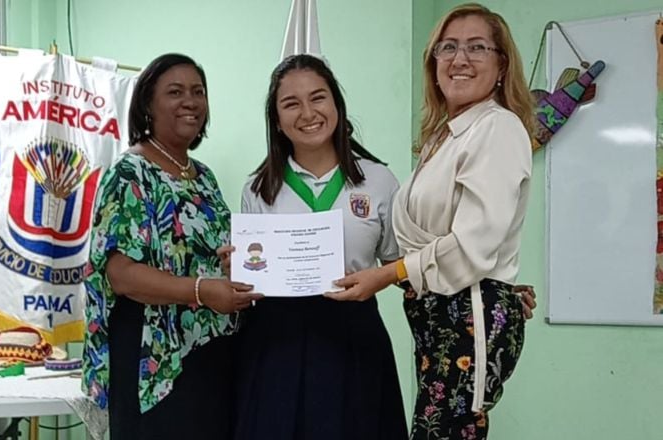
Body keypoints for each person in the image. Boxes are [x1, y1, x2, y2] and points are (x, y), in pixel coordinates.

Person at [332, 4, 534, 439]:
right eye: (448, 47)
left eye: (477, 47)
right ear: (434, 63)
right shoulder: (443, 137)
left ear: (501, 65)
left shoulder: (497, 129)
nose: (460, 59)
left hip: (465, 317)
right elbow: (453, 241)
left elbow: (473, 244)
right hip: (439, 314)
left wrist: (388, 274)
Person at [221, 54, 409, 440]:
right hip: (277, 342)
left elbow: (398, 265)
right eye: (291, 103)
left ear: (337, 105)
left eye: (318, 98)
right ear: (276, 119)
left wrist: (495, 290)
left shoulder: (378, 180)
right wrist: (238, 273)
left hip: (353, 338)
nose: (307, 112)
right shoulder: (258, 188)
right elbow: (253, 282)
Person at [81, 53, 262, 440]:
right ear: (148, 103)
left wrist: (233, 264)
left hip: (211, 355)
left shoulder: (204, 176)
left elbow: (204, 252)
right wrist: (201, 290)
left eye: (198, 91)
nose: (191, 101)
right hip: (156, 358)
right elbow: (121, 274)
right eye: (175, 92)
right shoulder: (131, 172)